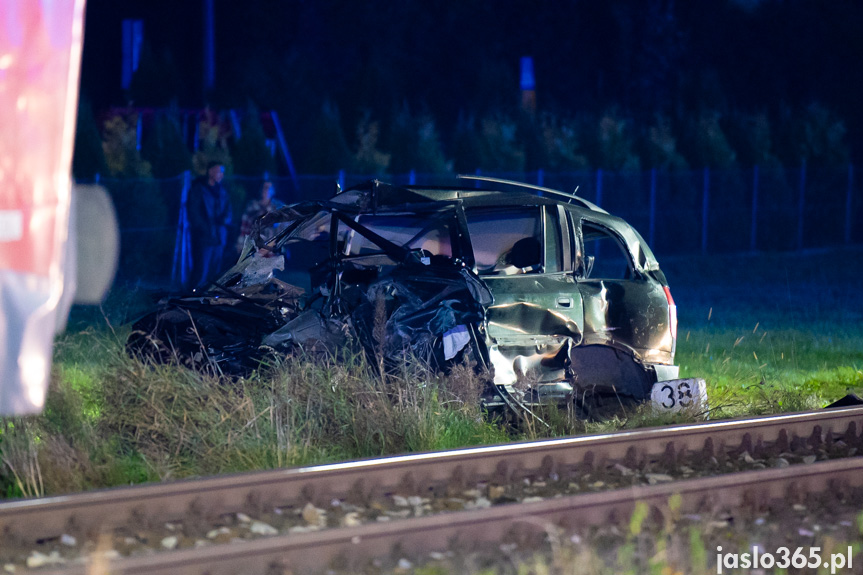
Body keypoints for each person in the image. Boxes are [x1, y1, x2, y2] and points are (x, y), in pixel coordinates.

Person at [187, 161, 232, 290]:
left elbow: (228, 211)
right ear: (210, 172)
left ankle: (209, 297)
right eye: (219, 171)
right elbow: (194, 212)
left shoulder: (222, 191)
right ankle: (193, 297)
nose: (221, 175)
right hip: (205, 237)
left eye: (222, 172)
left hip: (219, 237)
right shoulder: (199, 189)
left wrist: (223, 223)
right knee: (201, 270)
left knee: (215, 271)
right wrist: (204, 229)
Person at [236, 180, 284, 254]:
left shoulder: (278, 207)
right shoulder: (252, 206)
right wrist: (241, 244)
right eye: (263, 187)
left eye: (268, 188)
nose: (265, 190)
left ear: (273, 191)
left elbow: (283, 227)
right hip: (255, 246)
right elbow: (245, 227)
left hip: (272, 247)